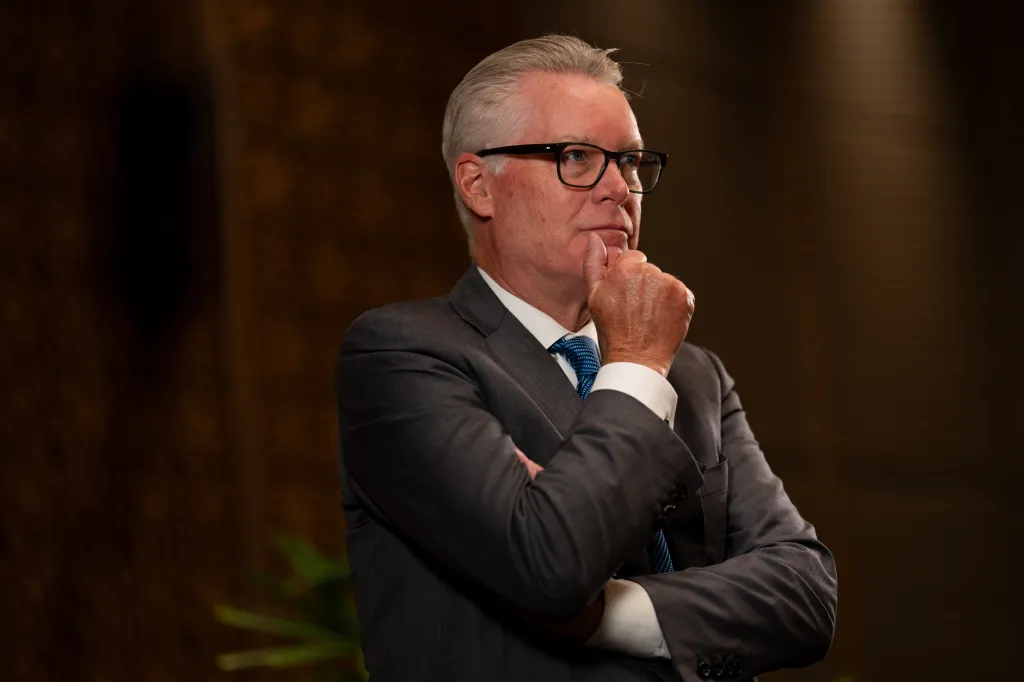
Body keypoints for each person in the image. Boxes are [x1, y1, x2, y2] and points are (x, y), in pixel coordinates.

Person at [335, 34, 837, 682]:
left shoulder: (694, 375)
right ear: (478, 184)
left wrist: (609, 615)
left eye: (629, 162)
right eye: (577, 157)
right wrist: (633, 367)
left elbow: (806, 592)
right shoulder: (403, 355)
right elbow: (549, 562)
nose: (619, 190)